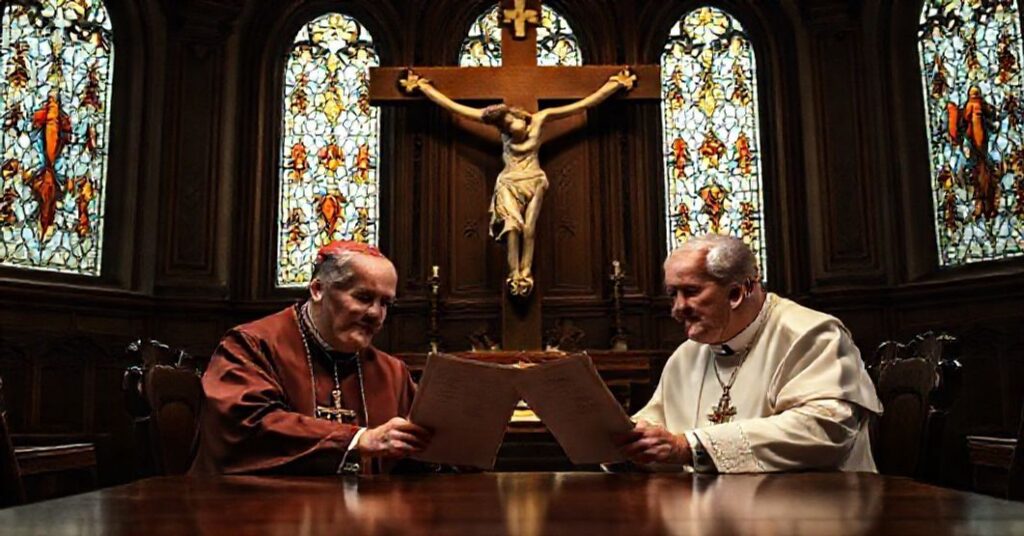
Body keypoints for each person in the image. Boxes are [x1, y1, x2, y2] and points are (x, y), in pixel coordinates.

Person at [615, 234, 883, 473]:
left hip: (815, 511)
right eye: (673, 294)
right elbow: (654, 422)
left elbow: (825, 428)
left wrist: (690, 446)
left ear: (736, 293)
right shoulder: (687, 356)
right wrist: (621, 443)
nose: (677, 308)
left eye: (691, 292)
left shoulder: (812, 336)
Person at [190, 241, 432, 475]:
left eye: (385, 303)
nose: (376, 315)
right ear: (317, 290)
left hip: (363, 512)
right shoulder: (251, 346)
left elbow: (423, 452)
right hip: (255, 507)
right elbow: (245, 426)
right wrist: (357, 440)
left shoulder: (392, 373)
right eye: (364, 298)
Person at [400, 68, 635, 297]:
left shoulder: (541, 119)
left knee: (529, 228)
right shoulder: (503, 130)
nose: (513, 133)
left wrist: (613, 86)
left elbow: (581, 106)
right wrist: (423, 87)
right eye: (508, 131)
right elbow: (456, 109)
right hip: (509, 182)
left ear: (518, 117)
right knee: (512, 228)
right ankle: (514, 274)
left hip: (534, 180)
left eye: (514, 127)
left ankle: (526, 271)